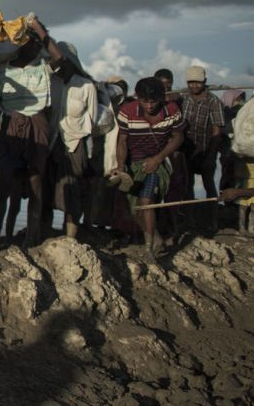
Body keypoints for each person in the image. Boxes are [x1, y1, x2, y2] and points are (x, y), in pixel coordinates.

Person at [0, 17, 65, 249]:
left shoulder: (43, 65)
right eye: (28, 41)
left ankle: (31, 237)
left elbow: (59, 58)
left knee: (35, 183)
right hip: (12, 125)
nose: (33, 46)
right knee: (4, 186)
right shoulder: (3, 68)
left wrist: (41, 30)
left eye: (36, 42)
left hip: (37, 123)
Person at [110, 77, 186, 254]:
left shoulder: (171, 110)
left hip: (157, 162)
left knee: (146, 201)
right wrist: (121, 166)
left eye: (154, 102)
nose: (150, 106)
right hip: (134, 163)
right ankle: (155, 237)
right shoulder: (127, 111)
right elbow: (122, 141)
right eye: (145, 101)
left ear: (161, 98)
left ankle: (149, 248)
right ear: (137, 97)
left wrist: (158, 159)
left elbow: (178, 138)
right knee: (135, 209)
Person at [47, 44, 98, 240]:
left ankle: (70, 236)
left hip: (76, 142)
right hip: (53, 141)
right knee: (49, 186)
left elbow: (91, 120)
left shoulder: (86, 86)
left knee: (73, 189)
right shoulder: (52, 82)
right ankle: (44, 230)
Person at [179, 66, 225, 229]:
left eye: (197, 83)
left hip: (206, 150)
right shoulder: (183, 97)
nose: (194, 86)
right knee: (188, 185)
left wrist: (210, 155)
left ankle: (212, 221)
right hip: (187, 150)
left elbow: (217, 130)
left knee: (209, 185)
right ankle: (189, 220)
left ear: (204, 82)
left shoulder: (213, 101)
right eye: (191, 82)